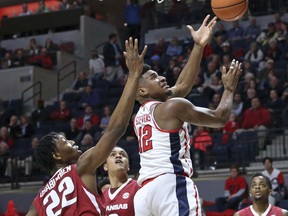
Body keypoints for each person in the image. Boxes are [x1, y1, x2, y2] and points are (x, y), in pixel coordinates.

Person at [133, 15, 242, 215]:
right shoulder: (172, 107)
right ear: (141, 91)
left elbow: (182, 86)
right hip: (170, 183)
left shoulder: (140, 115)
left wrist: (198, 46)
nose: (162, 77)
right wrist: (229, 89)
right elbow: (220, 118)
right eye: (153, 77)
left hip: (143, 194)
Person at [25, 38, 147, 216]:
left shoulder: (38, 201)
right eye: (65, 141)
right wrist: (134, 75)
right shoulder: (80, 166)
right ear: (57, 155)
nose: (72, 142)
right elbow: (116, 128)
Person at [102, 146, 140, 216]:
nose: (118, 156)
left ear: (128, 166)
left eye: (122, 155)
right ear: (105, 166)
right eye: (113, 155)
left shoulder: (138, 187)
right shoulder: (102, 197)